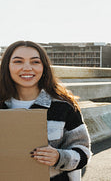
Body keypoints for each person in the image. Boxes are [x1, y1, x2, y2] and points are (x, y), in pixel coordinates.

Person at [0, 41, 91, 181]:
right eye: (18, 61)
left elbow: (83, 153)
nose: (27, 68)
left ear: (44, 67)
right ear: (7, 66)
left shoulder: (64, 106)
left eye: (35, 62)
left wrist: (59, 157)